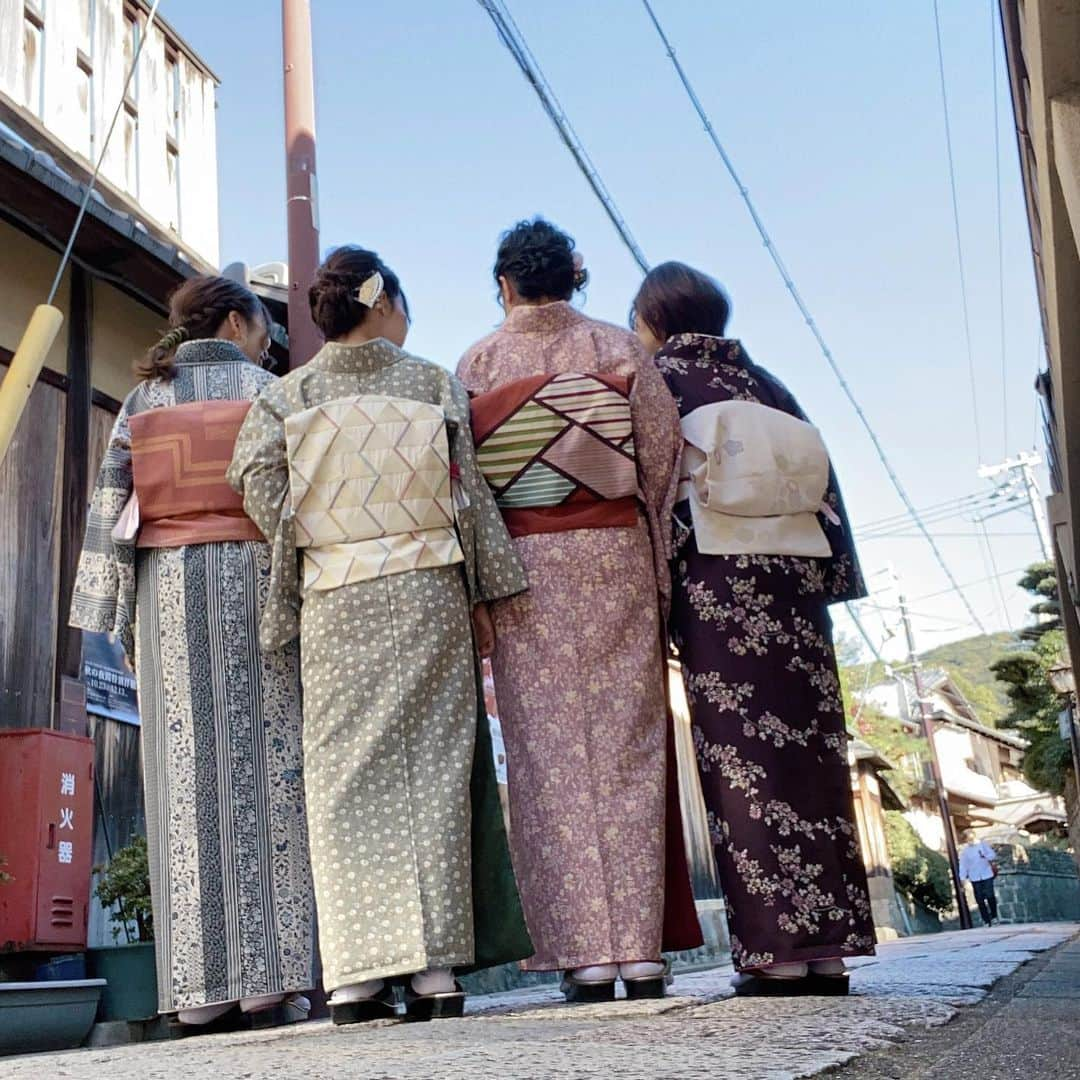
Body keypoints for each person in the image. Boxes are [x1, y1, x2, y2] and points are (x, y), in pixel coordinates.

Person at [228, 246, 532, 1024]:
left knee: (342, 775)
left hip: (336, 593)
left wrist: (307, 537)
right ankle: (434, 971)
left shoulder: (288, 393)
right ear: (384, 300)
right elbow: (467, 494)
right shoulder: (432, 382)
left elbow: (255, 477)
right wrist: (486, 588)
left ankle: (358, 976)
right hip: (428, 585)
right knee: (432, 768)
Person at [458, 219, 702, 1004]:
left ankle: (582, 956)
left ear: (505, 284)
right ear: (576, 277)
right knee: (629, 749)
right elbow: (661, 466)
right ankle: (638, 953)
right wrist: (658, 574)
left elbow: (463, 486)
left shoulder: (478, 363)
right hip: (615, 555)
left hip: (523, 564)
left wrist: (482, 587)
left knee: (545, 758)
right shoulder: (621, 353)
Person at [70, 276, 315, 1028]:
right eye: (263, 327)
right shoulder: (272, 391)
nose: (267, 340)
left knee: (186, 777)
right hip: (257, 580)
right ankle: (271, 978)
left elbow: (111, 507)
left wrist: (109, 614)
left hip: (168, 589)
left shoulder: (143, 401)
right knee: (272, 770)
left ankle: (201, 988)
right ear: (237, 322)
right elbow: (299, 497)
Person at [631, 261, 876, 997]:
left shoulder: (660, 383)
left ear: (653, 322)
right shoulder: (770, 386)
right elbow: (823, 486)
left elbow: (651, 487)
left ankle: (775, 953)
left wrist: (651, 592)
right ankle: (826, 951)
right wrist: (835, 581)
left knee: (743, 767)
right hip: (794, 588)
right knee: (812, 761)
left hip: (719, 592)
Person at [959, 830, 999, 926]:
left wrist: (985, 855)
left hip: (986, 874)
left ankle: (994, 916)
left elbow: (993, 855)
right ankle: (986, 920)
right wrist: (962, 877)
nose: (971, 840)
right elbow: (963, 865)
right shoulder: (965, 851)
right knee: (979, 899)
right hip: (975, 876)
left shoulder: (983, 845)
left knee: (990, 896)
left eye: (972, 838)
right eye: (969, 839)